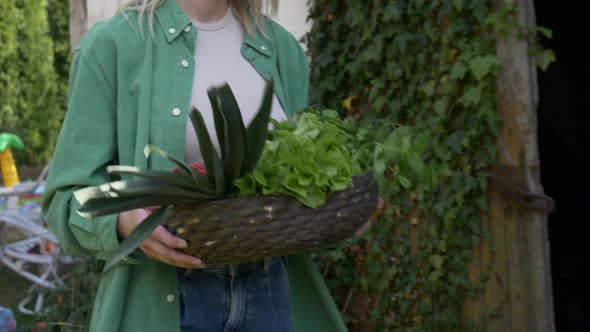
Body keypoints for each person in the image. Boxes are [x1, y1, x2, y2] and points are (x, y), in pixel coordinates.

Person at [42, 1, 381, 331]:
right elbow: (66, 201)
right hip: (167, 296)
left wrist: (337, 217)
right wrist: (122, 223)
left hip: (271, 291)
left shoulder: (281, 48)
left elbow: (294, 187)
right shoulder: (114, 45)